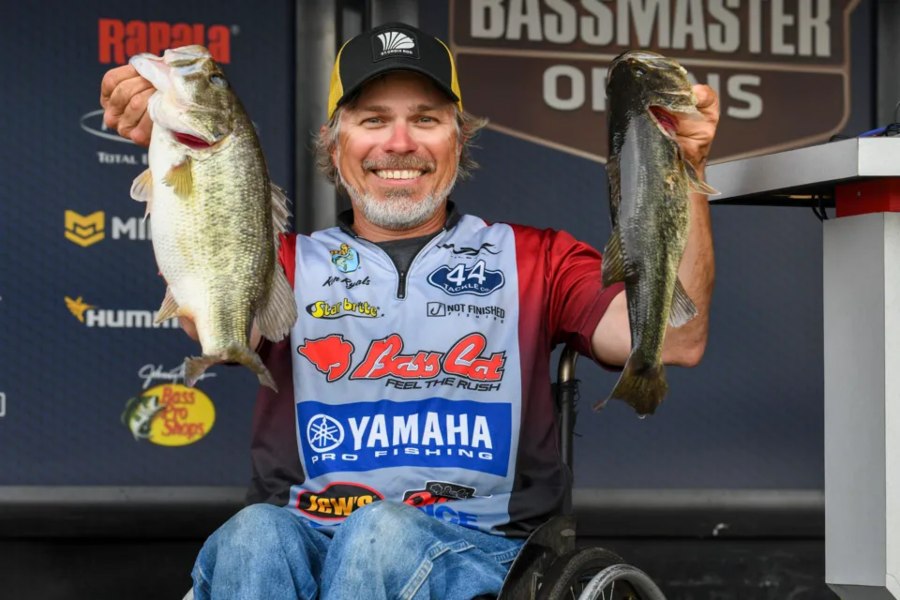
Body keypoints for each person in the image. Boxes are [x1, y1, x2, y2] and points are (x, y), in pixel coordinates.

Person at [100, 21, 718, 600]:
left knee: (382, 533)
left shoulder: (537, 257)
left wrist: (679, 171)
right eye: (373, 119)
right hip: (299, 545)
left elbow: (672, 341)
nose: (400, 143)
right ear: (334, 141)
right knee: (253, 533)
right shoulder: (281, 261)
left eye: (425, 118)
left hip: (482, 555)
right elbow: (207, 316)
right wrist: (170, 149)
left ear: (459, 136)